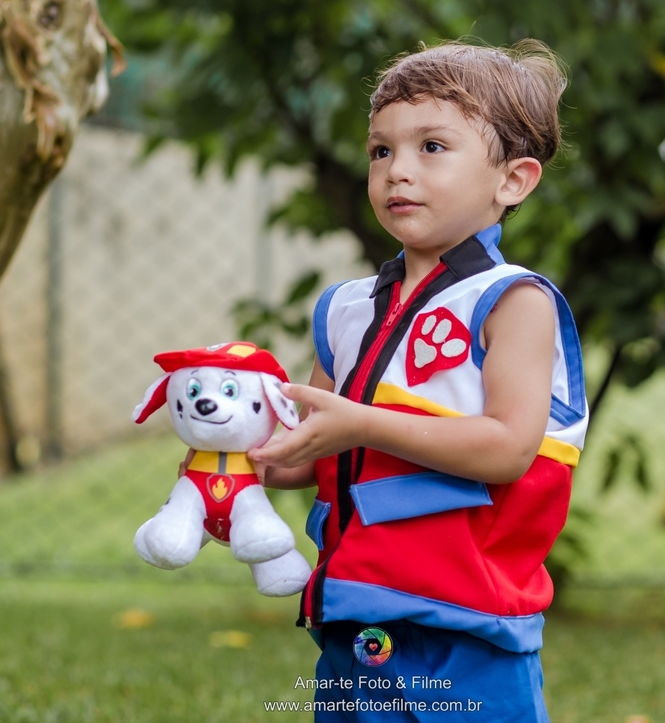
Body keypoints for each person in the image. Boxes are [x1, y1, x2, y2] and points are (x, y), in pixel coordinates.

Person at [252, 40, 589, 721]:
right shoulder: (343, 311)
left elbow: (507, 448)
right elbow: (308, 452)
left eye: (431, 147)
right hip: (354, 612)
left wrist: (361, 423)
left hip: (469, 623)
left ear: (513, 181)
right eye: (382, 151)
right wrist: (232, 463)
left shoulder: (515, 301)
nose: (397, 170)